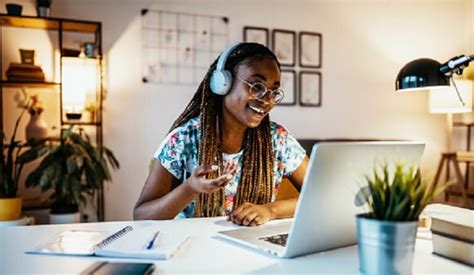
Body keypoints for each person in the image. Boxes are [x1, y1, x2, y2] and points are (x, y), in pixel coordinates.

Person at [134, 42, 309, 226]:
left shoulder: (278, 140)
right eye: (256, 86)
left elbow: (323, 196)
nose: (267, 100)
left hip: (253, 250)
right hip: (194, 249)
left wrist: (270, 210)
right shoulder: (183, 139)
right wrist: (190, 188)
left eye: (273, 91)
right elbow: (141, 215)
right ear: (222, 83)